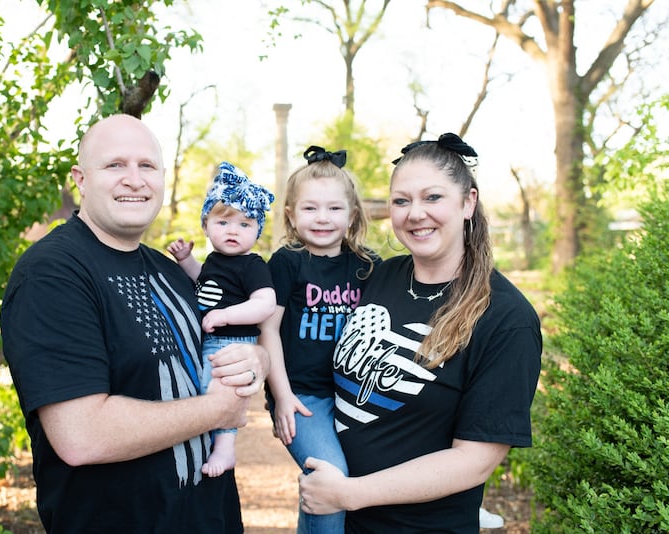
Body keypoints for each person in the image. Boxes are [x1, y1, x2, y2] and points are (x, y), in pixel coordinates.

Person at [0, 114, 268, 533]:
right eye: (114, 165)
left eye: (146, 166)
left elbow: (227, 340)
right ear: (81, 179)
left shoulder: (170, 270)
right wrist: (219, 409)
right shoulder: (53, 273)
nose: (134, 179)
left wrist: (257, 359)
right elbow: (82, 434)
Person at [297, 133, 542, 533]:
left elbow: (473, 461)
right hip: (330, 516)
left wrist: (350, 493)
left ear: (468, 203)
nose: (415, 214)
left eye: (432, 198)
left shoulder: (506, 318)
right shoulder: (377, 277)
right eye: (401, 201)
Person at [259, 146, 380, 534]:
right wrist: (281, 396)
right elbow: (268, 331)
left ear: (352, 215)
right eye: (310, 209)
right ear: (291, 215)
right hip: (305, 399)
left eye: (334, 208)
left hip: (355, 397)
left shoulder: (367, 266)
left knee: (362, 483)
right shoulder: (287, 262)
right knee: (330, 476)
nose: (323, 218)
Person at [167, 161, 276, 477]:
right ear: (205, 224)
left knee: (220, 393)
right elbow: (206, 283)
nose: (233, 231)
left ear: (257, 230)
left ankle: (225, 450)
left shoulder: (252, 265)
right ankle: (204, 442)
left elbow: (265, 303)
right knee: (201, 390)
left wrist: (226, 315)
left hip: (233, 341)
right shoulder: (215, 261)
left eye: (245, 224)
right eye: (224, 222)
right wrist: (186, 261)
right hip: (210, 339)